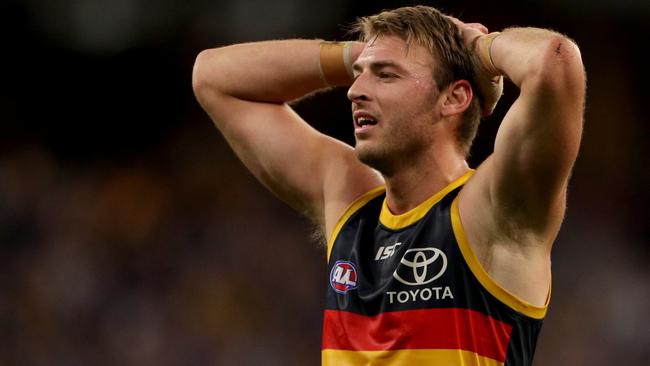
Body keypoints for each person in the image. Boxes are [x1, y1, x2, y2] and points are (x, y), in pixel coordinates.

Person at [192, 5, 585, 366]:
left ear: (454, 98)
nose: (354, 90)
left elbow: (555, 61)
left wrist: (477, 47)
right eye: (360, 74)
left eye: (386, 75)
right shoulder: (351, 201)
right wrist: (357, 55)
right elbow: (212, 76)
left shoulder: (492, 210)